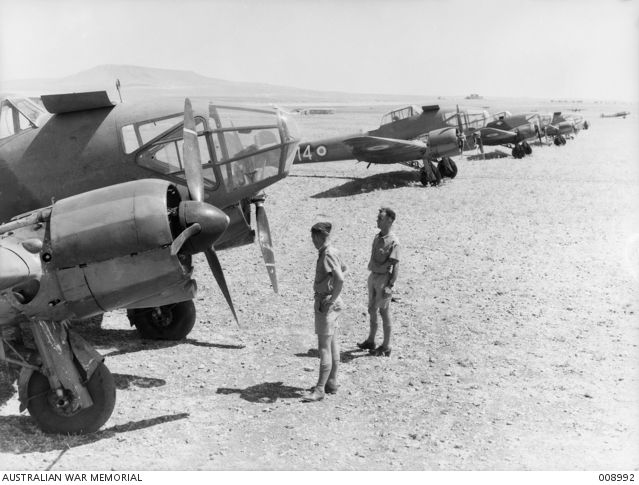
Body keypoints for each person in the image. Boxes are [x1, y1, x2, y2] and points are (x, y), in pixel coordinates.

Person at [302, 222, 346, 402]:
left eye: (314, 238)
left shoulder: (327, 254)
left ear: (320, 236)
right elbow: (344, 269)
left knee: (323, 348)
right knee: (333, 344)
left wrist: (331, 298)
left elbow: (340, 278)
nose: (312, 241)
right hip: (332, 303)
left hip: (325, 304)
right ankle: (332, 382)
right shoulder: (334, 251)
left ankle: (320, 389)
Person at [357, 207, 400, 357]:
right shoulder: (377, 237)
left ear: (389, 221)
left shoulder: (393, 241)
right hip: (373, 276)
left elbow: (395, 265)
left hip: (383, 279)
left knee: (384, 311)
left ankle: (387, 345)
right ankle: (371, 340)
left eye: (380, 218)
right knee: (371, 308)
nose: (377, 220)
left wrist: (390, 285)